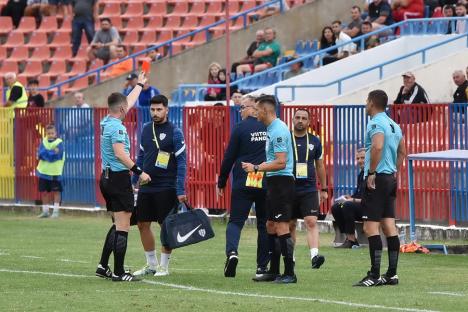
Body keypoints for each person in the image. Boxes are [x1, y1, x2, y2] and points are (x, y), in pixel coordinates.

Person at [95, 71, 151, 282]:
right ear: (122, 109)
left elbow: (125, 102)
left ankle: (103, 266)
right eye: (126, 107)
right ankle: (119, 272)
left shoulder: (106, 120)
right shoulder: (117, 128)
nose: (128, 108)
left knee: (118, 223)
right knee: (123, 226)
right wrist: (140, 172)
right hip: (118, 179)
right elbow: (120, 154)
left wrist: (138, 86)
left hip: (106, 178)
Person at [354, 89, 406, 287]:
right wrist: (393, 171)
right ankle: (392, 274)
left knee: (370, 226)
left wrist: (373, 173)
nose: (366, 105)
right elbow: (403, 151)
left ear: (372, 103)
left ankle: (374, 275)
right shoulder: (394, 124)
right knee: (389, 225)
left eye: (367, 101)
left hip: (377, 178)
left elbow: (376, 146)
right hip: (389, 178)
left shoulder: (376, 122)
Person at [242, 94, 296, 284]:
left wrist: (257, 167)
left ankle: (289, 272)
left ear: (265, 111)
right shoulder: (271, 129)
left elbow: (281, 162)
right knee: (270, 225)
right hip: (274, 182)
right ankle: (274, 271)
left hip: (282, 182)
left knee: (281, 225)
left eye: (257, 110)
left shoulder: (279, 130)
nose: (255, 114)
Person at [132, 94, 187, 278]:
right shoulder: (146, 129)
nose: (155, 113)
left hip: (167, 187)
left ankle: (164, 266)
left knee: (166, 226)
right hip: (147, 185)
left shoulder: (175, 132)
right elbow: (140, 156)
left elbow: (182, 163)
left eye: (159, 109)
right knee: (142, 224)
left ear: (167, 110)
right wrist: (135, 179)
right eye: (152, 110)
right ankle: (151, 264)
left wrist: (180, 189)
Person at [217, 95, 269, 279]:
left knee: (236, 221)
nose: (240, 111)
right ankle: (262, 267)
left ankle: (232, 253)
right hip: (264, 180)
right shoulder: (269, 126)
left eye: (242, 108)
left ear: (253, 108)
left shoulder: (240, 128)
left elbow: (228, 157)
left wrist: (221, 181)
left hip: (244, 179)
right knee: (263, 225)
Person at [288, 109, 328, 269]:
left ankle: (314, 256)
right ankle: (290, 257)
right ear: (292, 119)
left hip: (309, 189)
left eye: (304, 118)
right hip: (288, 188)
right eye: (297, 117)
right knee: (290, 224)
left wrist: (324, 188)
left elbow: (320, 165)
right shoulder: (286, 139)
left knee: (311, 221)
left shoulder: (315, 141)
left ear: (309, 122)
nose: (300, 120)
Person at [331, 148, 366, 248]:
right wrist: (350, 197)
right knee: (336, 207)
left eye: (363, 158)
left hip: (369, 208)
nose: (360, 161)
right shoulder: (361, 174)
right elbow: (358, 194)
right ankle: (350, 238)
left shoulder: (372, 174)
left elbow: (369, 199)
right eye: (358, 158)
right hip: (359, 206)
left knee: (347, 205)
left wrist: (352, 200)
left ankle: (351, 241)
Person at [36, 124, 65, 218]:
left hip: (55, 172)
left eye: (52, 133)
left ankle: (55, 212)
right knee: (44, 192)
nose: (50, 135)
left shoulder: (59, 143)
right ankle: (45, 212)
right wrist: (51, 152)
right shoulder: (43, 141)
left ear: (55, 133)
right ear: (46, 133)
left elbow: (57, 156)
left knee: (56, 192)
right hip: (44, 172)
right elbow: (40, 154)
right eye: (48, 133)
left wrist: (46, 154)